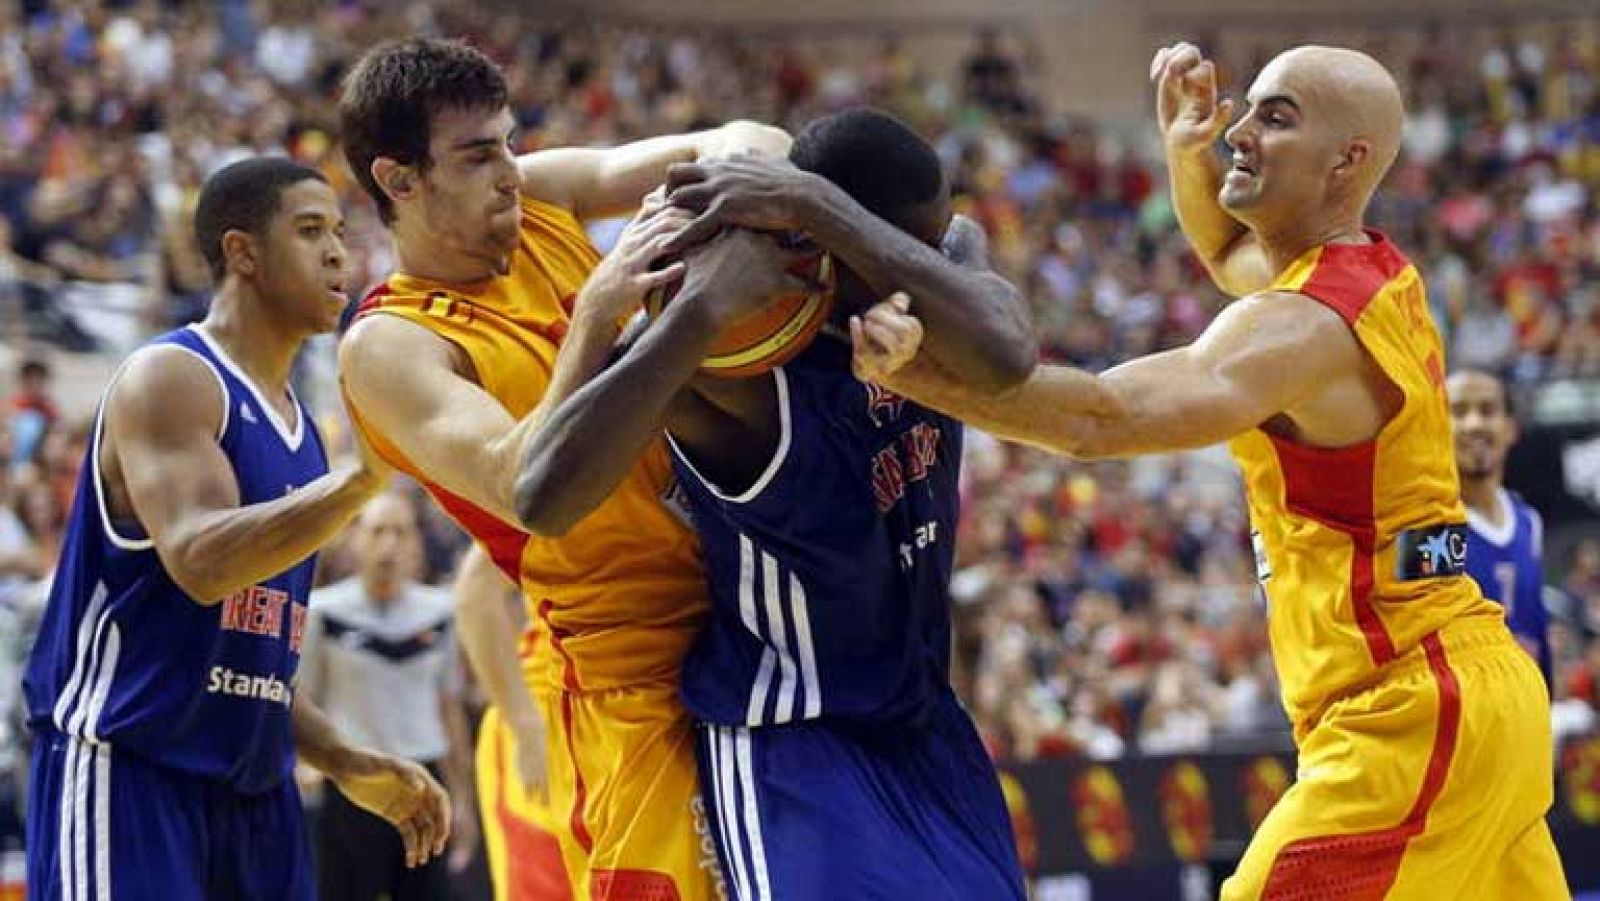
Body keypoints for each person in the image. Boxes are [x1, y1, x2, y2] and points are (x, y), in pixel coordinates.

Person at [851, 45, 1567, 899]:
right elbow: (1230, 253)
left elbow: (1099, 417)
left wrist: (914, 375)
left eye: (1276, 116)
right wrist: (1186, 151)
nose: (1241, 130)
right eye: (1247, 106)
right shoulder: (1368, 270)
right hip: (1473, 694)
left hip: (1410, 711)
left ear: (1349, 159)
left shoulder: (1306, 329)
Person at [514, 107, 1036, 899]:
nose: (923, 260)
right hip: (799, 743)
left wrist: (818, 205)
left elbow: (1004, 351)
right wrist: (694, 313)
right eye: (898, 244)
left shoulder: (939, 279)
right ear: (814, 255)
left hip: (927, 727)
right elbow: (544, 496)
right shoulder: (731, 366)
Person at [335, 37, 788, 900]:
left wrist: (755, 165)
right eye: (478, 156)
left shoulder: (536, 196)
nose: (510, 170)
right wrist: (599, 314)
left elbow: (740, 135)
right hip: (635, 670)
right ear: (399, 181)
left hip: (760, 611)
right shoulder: (388, 344)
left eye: (509, 141)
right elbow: (521, 479)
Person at [20, 157, 448, 901]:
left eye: (341, 232)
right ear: (242, 252)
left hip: (255, 793)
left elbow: (251, 659)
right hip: (133, 772)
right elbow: (200, 560)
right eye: (310, 230)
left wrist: (346, 758)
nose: (338, 252)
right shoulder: (173, 377)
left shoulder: (304, 432)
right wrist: (362, 478)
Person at [300, 489, 476, 901]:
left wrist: (463, 800)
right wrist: (303, 770)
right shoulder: (323, 612)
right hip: (351, 783)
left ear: (417, 542)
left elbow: (449, 707)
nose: (389, 545)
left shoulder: (441, 612)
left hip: (424, 784)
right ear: (355, 538)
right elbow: (301, 698)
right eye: (377, 531)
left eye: (401, 532)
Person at [1448, 369, 1553, 688]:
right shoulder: (1432, 525)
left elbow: (1536, 627)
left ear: (1511, 428)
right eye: (1459, 411)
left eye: (1487, 410)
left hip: (1526, 717)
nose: (1474, 423)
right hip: (1471, 720)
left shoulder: (1527, 521)